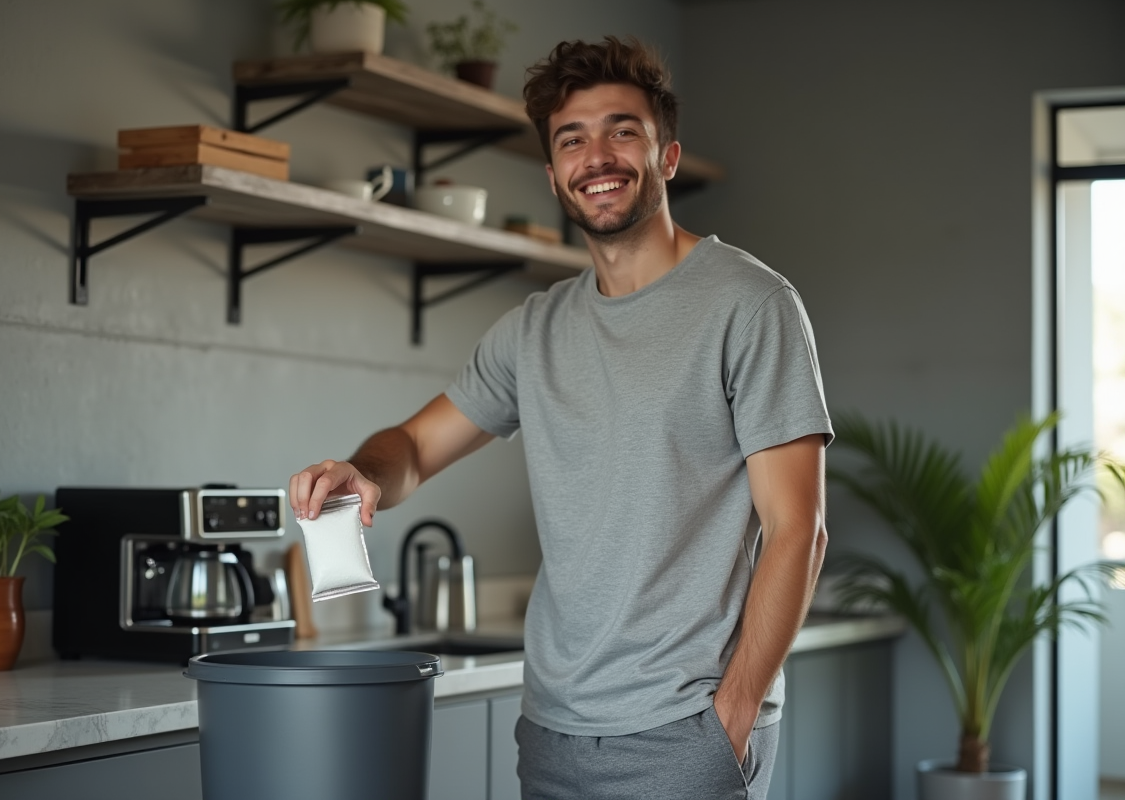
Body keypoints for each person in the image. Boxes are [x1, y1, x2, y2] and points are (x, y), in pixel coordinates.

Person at [289, 35, 831, 800]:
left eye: (622, 130)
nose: (597, 155)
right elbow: (411, 447)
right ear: (553, 175)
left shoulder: (750, 305)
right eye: (572, 139)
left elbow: (797, 529)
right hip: (552, 731)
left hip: (686, 730)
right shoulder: (534, 330)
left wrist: (732, 718)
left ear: (667, 155)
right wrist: (361, 471)